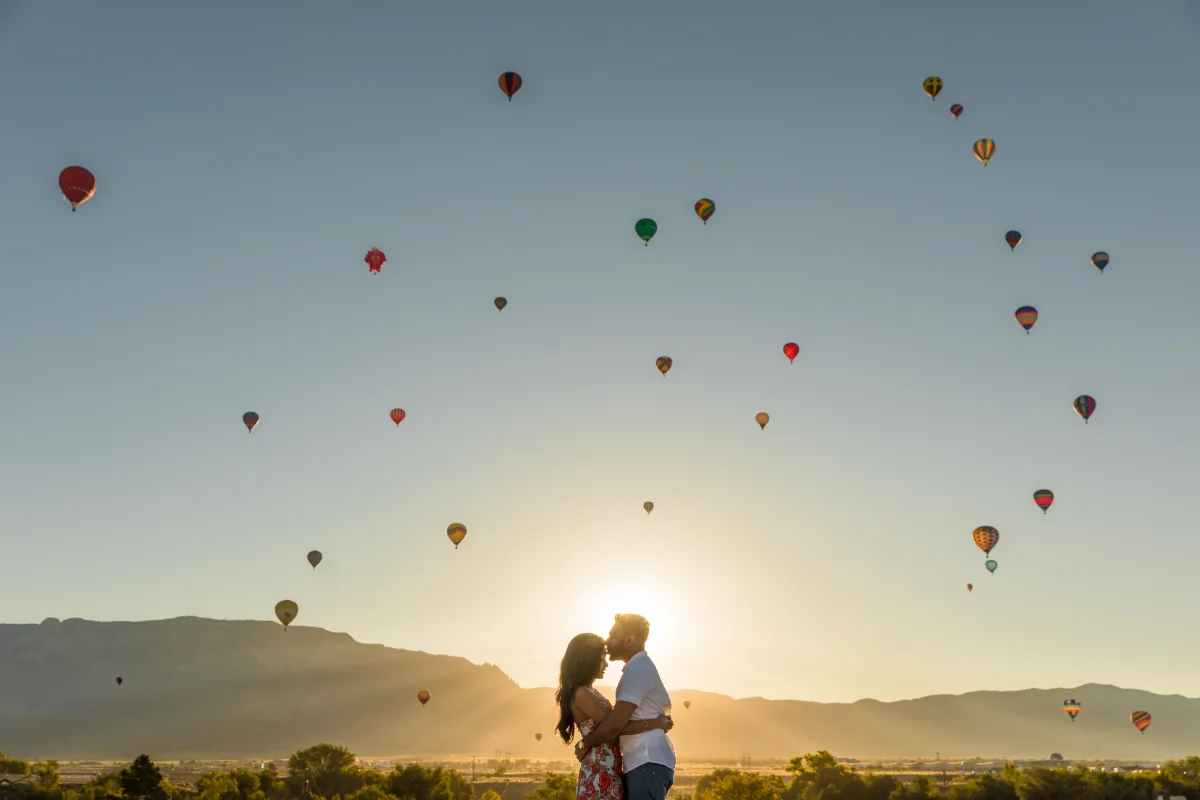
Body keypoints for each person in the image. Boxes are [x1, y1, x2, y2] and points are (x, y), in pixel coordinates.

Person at [556, 632, 674, 800]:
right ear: (588, 660)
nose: (605, 664)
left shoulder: (590, 691)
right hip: (599, 771)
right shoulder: (582, 693)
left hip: (609, 768)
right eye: (601, 658)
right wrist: (656, 723)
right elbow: (616, 727)